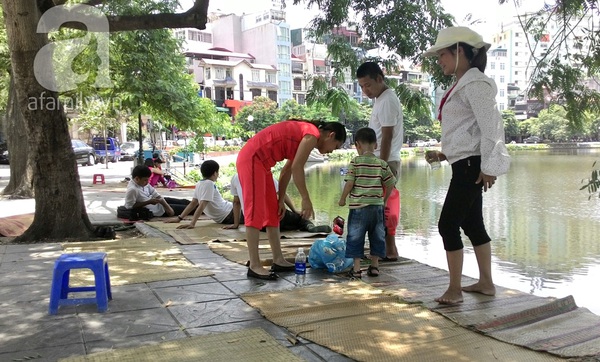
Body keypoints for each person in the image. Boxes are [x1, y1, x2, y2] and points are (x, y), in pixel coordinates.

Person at [422, 26, 510, 304]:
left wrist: (490, 166)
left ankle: (454, 290)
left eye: (443, 55)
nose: (440, 61)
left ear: (460, 51)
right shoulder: (465, 83)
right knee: (473, 225)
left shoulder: (474, 83)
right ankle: (485, 283)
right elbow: (468, 131)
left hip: (472, 166)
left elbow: (491, 126)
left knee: (447, 225)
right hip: (467, 163)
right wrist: (444, 154)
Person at [237, 119, 346, 280]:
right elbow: (297, 168)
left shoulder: (306, 136)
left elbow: (286, 171)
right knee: (255, 213)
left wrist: (280, 199)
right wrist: (305, 199)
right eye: (335, 147)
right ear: (331, 135)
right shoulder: (311, 135)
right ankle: (254, 265)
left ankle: (278, 260)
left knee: (273, 212)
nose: (331, 152)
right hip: (253, 158)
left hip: (263, 165)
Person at [356, 61, 404, 261]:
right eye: (362, 87)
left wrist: (380, 167)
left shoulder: (386, 100)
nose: (365, 90)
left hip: (385, 162)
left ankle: (390, 249)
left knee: (384, 206)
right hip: (380, 161)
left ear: (379, 78)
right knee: (378, 206)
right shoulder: (381, 99)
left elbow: (387, 136)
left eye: (368, 85)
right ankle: (383, 248)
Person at [338, 128, 397, 279]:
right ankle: (375, 266)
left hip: (358, 208)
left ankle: (357, 269)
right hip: (377, 208)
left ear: (357, 145)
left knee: (355, 237)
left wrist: (343, 198)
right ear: (376, 145)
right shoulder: (382, 164)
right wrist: (383, 200)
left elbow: (350, 183)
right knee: (377, 236)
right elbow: (391, 183)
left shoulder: (355, 162)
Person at [227, 173, 332, 233]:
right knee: (301, 220)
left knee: (289, 224)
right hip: (273, 219)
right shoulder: (265, 174)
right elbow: (282, 194)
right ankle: (310, 227)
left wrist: (236, 224)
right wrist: (294, 210)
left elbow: (236, 203)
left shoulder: (235, 177)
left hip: (255, 225)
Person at [165, 160, 242, 228]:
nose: (218, 175)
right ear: (215, 173)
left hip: (228, 213)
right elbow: (201, 205)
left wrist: (179, 218)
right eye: (218, 172)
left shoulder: (199, 183)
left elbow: (193, 203)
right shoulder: (209, 184)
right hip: (229, 214)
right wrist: (192, 223)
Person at [124, 165, 192, 217]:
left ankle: (200, 204)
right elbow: (129, 206)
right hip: (157, 209)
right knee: (189, 209)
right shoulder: (133, 189)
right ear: (137, 179)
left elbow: (155, 194)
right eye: (145, 180)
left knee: (184, 202)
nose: (147, 182)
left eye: (148, 179)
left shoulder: (144, 184)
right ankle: (201, 209)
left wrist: (166, 206)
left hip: (158, 202)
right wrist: (148, 202)